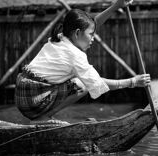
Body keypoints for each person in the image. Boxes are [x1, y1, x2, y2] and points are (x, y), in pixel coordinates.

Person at [15, 0, 150, 124]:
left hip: (22, 96)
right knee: (82, 84)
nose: (93, 38)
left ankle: (43, 116)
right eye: (91, 35)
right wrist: (132, 82)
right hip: (32, 100)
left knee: (77, 78)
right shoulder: (75, 55)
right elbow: (97, 83)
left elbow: (93, 24)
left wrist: (116, 6)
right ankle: (44, 117)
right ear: (77, 33)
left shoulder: (60, 37)